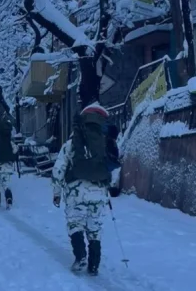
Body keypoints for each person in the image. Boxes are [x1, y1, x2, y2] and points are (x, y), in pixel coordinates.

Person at [52, 103, 120, 276]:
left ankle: (80, 256)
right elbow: (113, 166)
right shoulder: (106, 143)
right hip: (98, 191)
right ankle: (94, 265)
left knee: (75, 224)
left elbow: (59, 168)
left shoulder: (72, 143)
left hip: (76, 190)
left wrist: (57, 192)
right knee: (94, 228)